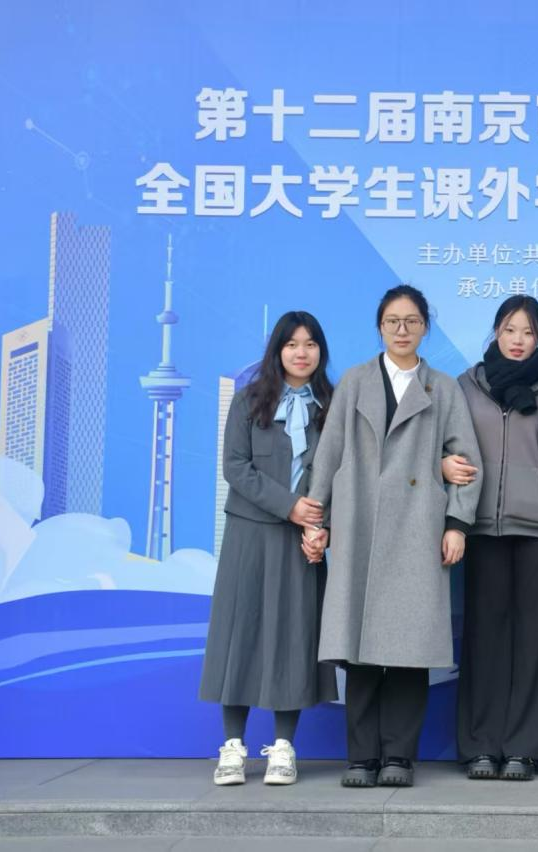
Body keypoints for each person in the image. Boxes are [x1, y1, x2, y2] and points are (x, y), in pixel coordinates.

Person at [304, 284, 482, 789]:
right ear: (380, 327)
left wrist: (457, 524)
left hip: (417, 529)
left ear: (425, 327)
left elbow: (467, 463)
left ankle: (399, 757)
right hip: (359, 522)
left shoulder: (442, 388)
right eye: (392, 322)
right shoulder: (355, 382)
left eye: (412, 321)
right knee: (359, 650)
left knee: (408, 651)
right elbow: (329, 455)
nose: (402, 330)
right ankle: (362, 758)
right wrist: (318, 520)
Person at [446, 295, 538, 781]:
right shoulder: (466, 385)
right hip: (481, 526)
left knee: (535, 642)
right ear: (496, 332)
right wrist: (442, 465)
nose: (518, 340)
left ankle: (524, 748)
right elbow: (442, 443)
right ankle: (481, 745)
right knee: (483, 640)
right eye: (510, 330)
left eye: (528, 332)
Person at [199, 311, 339, 786]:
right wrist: (290, 506)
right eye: (292, 344)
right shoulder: (249, 400)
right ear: (277, 350)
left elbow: (343, 473)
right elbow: (236, 467)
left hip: (304, 540)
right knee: (240, 634)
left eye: (310, 344)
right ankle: (232, 747)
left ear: (321, 351)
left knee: (292, 636)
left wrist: (322, 526)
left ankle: (283, 747)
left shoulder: (332, 406)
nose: (302, 353)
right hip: (251, 534)